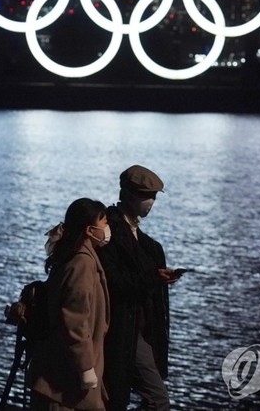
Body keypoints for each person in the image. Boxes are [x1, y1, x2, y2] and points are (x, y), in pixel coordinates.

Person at [96, 165, 181, 411]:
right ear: (128, 195)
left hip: (137, 329)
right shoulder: (109, 233)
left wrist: (157, 278)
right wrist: (154, 278)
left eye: (153, 196)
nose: (151, 202)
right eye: (146, 196)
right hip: (122, 329)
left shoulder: (141, 239)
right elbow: (115, 281)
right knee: (157, 399)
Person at [29, 198, 112, 411]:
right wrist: (86, 367)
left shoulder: (73, 256)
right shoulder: (82, 263)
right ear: (89, 230)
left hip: (61, 375)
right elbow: (74, 319)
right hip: (64, 382)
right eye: (104, 223)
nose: (107, 228)